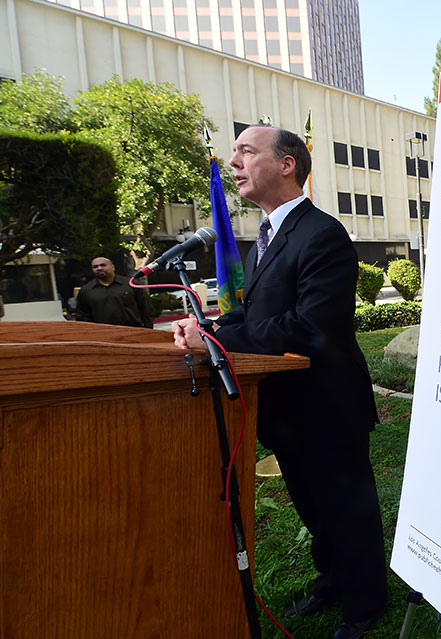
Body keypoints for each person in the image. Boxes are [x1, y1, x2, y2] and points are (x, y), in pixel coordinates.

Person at [172, 125, 386, 639]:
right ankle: (332, 581)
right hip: (285, 409)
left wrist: (216, 340)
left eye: (246, 151)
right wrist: (210, 327)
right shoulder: (264, 239)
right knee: (313, 508)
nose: (233, 162)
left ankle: (364, 604)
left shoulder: (323, 234)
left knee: (347, 509)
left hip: (328, 407)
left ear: (287, 164)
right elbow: (254, 317)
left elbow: (312, 327)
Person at [76, 256, 154, 328]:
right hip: (102, 333)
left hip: (132, 330)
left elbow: (146, 308)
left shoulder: (130, 284)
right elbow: (82, 316)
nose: (99, 268)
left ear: (113, 267)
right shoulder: (86, 290)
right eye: (95, 267)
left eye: (103, 265)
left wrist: (148, 328)